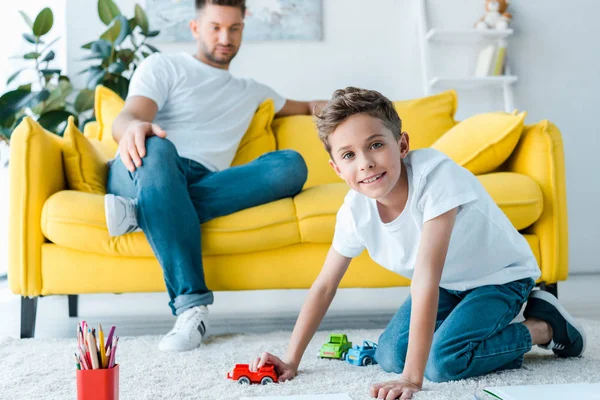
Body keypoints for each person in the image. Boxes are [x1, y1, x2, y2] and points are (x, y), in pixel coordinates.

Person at [250, 87, 586, 399]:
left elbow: (426, 277)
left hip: (498, 279)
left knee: (442, 363)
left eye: (376, 145)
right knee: (388, 355)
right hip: (449, 286)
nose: (365, 162)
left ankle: (543, 327)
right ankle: (473, 327)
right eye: (349, 155)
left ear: (402, 145)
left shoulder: (436, 178)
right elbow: (324, 286)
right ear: (337, 169)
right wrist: (291, 359)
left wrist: (412, 378)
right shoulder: (355, 211)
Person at [104, 0, 327, 353]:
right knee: (158, 146)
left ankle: (142, 212)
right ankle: (191, 305)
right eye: (215, 27)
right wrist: (131, 128)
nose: (226, 37)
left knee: (291, 165)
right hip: (147, 166)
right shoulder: (163, 66)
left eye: (234, 28)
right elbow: (130, 115)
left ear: (242, 29)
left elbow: (308, 107)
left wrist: (356, 104)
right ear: (195, 28)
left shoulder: (252, 90)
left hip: (206, 180)